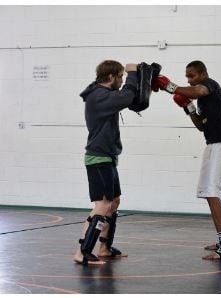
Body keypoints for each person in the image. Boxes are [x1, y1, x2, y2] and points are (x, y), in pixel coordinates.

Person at [153, 61, 221, 260]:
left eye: (192, 76)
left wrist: (169, 86)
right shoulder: (200, 99)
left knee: (213, 193)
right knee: (209, 194)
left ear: (203, 73)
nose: (189, 80)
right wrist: (188, 107)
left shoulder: (210, 85)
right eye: (187, 77)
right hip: (212, 144)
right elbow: (201, 125)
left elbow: (198, 91)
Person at [74, 60, 138, 265]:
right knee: (102, 204)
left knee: (114, 201)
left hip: (108, 157)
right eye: (120, 76)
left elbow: (127, 97)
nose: (121, 80)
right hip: (98, 158)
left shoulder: (101, 94)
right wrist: (133, 74)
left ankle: (104, 248)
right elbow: (128, 96)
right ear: (111, 77)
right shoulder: (99, 96)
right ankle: (82, 252)